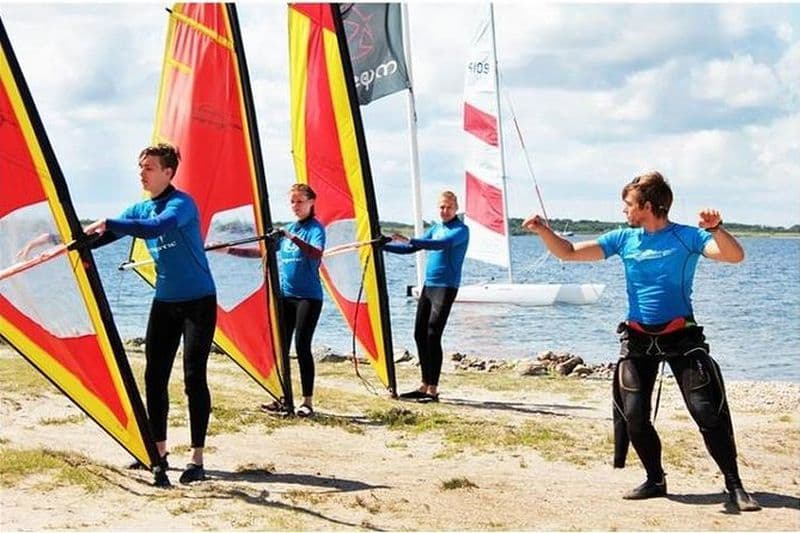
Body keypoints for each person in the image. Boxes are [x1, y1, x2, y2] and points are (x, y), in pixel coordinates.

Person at [522, 171, 760, 512]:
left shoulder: (687, 237)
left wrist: (717, 229)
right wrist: (544, 231)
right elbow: (570, 252)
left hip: (681, 336)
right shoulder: (623, 239)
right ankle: (655, 479)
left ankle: (734, 485)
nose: (624, 211)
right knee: (633, 414)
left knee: (706, 411)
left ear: (647, 206)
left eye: (628, 204)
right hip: (638, 338)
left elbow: (734, 256)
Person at [83, 143, 217, 487]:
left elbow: (158, 226)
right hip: (165, 302)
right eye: (140, 167)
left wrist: (113, 222)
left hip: (199, 302)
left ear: (168, 172)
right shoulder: (140, 207)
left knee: (192, 377)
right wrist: (57, 238)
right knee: (154, 378)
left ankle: (197, 458)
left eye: (149, 168)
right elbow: (102, 236)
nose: (141, 173)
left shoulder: (181, 204)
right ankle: (158, 452)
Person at [222, 184, 325, 418]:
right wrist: (230, 250)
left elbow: (316, 253)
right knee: (281, 347)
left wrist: (292, 237)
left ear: (311, 202)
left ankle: (307, 402)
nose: (295, 206)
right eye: (292, 202)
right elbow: (262, 252)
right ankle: (282, 397)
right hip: (285, 297)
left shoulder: (315, 229)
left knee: (302, 346)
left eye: (299, 201)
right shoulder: (289, 229)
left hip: (308, 298)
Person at [383, 190, 469, 403]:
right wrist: (383, 246)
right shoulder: (436, 228)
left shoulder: (461, 230)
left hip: (446, 286)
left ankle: (433, 389)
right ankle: (424, 385)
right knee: (419, 333)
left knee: (433, 333)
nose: (445, 210)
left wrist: (411, 238)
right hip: (429, 286)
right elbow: (412, 248)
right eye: (441, 207)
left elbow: (440, 245)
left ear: (456, 208)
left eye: (449, 207)